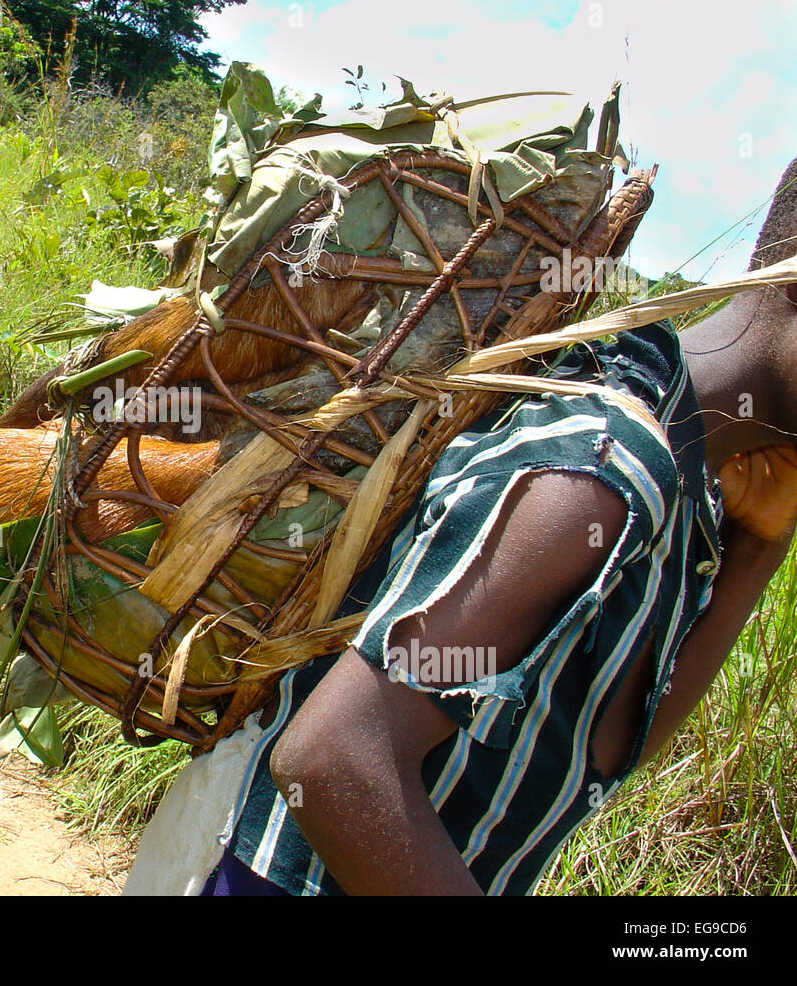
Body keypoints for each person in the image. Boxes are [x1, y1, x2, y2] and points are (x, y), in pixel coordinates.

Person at [127, 158, 797, 896]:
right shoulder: (606, 468)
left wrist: (758, 547)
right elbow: (334, 758)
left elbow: (603, 750)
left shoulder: (692, 491)